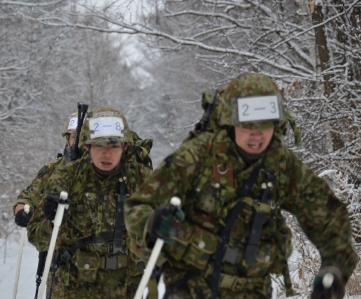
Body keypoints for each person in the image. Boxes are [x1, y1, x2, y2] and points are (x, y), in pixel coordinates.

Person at [125, 73, 358, 299]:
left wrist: (334, 269)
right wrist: (152, 222)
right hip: (191, 287)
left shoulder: (280, 165)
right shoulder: (196, 157)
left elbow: (329, 217)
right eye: (248, 127)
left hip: (254, 291)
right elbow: (138, 207)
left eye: (264, 126)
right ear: (231, 123)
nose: (256, 136)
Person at [28, 107, 152, 298]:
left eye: (114, 146)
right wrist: (50, 220)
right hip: (71, 288)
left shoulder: (143, 180)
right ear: (86, 147)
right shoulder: (67, 177)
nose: (106, 154)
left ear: (125, 147)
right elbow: (37, 238)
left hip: (124, 288)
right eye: (99, 146)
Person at [13, 111, 78, 227]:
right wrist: (22, 212)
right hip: (57, 240)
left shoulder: (106, 170)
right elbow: (26, 199)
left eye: (84, 138)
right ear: (67, 139)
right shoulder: (53, 169)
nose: (79, 143)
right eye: (75, 138)